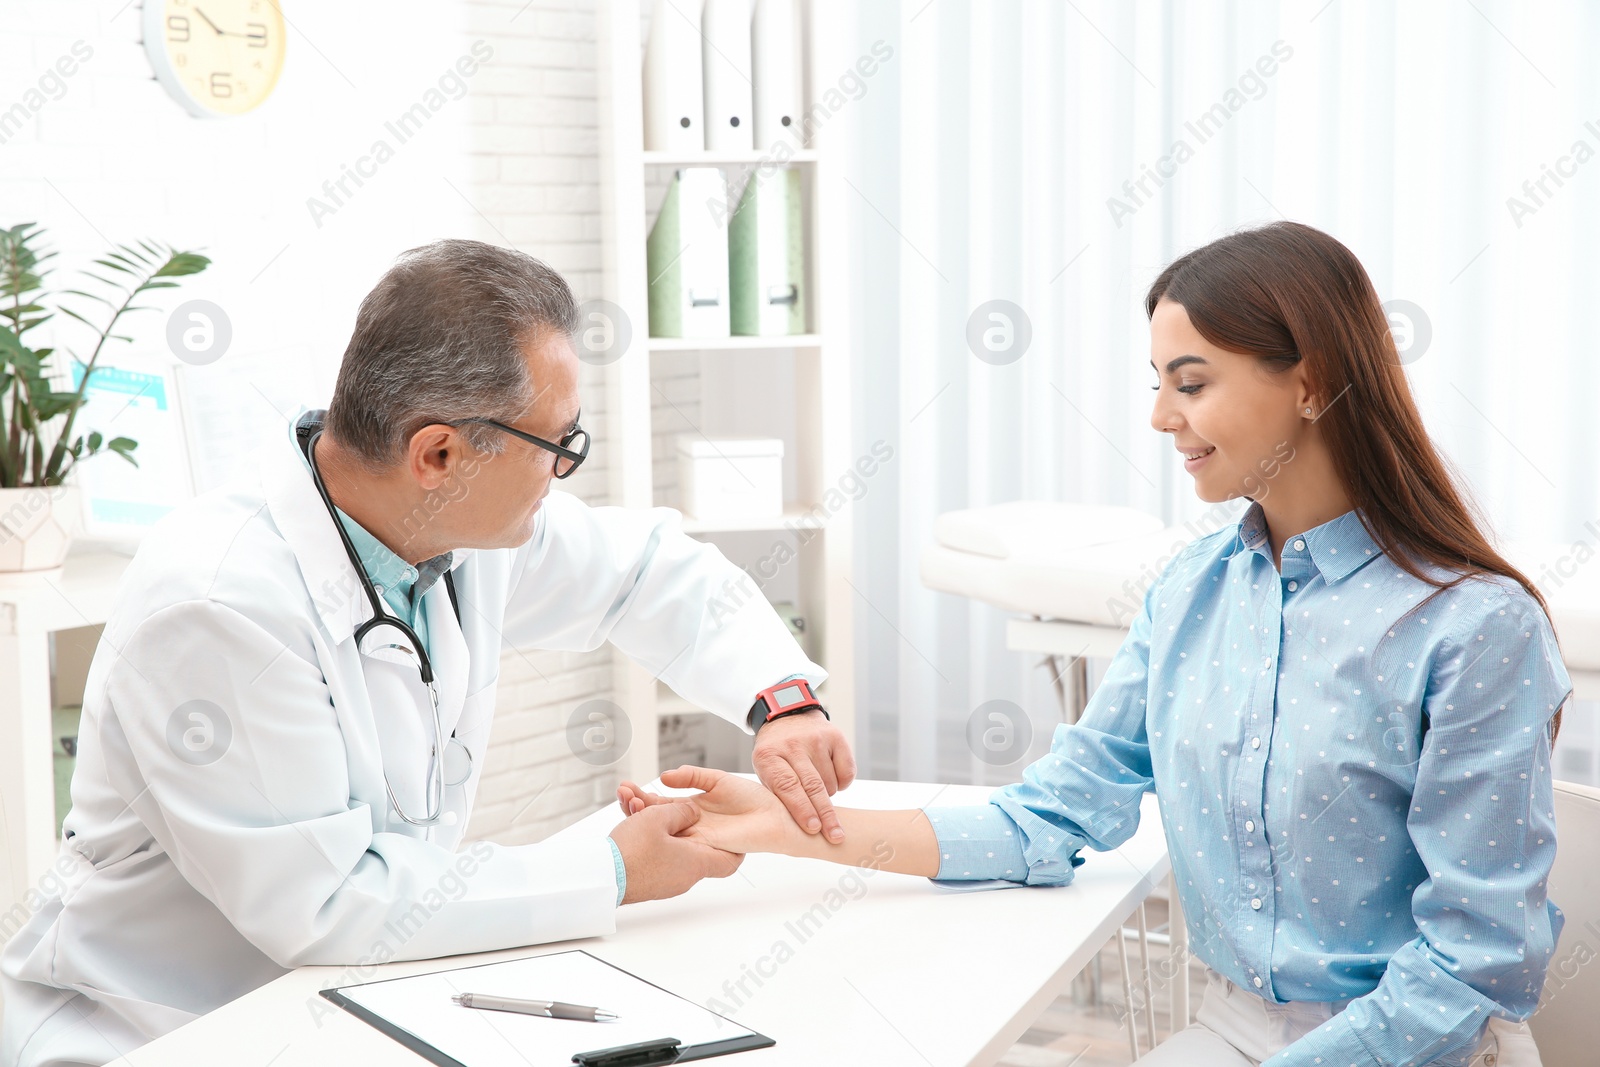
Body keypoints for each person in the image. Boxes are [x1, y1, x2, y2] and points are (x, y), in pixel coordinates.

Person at [619, 222, 1570, 1067]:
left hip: (1420, 1046)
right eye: (1157, 384)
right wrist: (794, 829)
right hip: (1232, 1031)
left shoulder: (1473, 626)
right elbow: (1048, 818)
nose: (1162, 417)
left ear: (1312, 380)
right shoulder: (1190, 594)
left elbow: (1477, 957)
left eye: (1190, 383)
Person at [0, 239, 855, 1067]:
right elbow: (326, 901)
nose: (564, 474)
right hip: (159, 1024)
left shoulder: (451, 532)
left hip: (342, 995)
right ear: (438, 452)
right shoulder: (219, 608)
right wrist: (613, 869)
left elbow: (643, 571)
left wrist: (782, 700)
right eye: (558, 447)